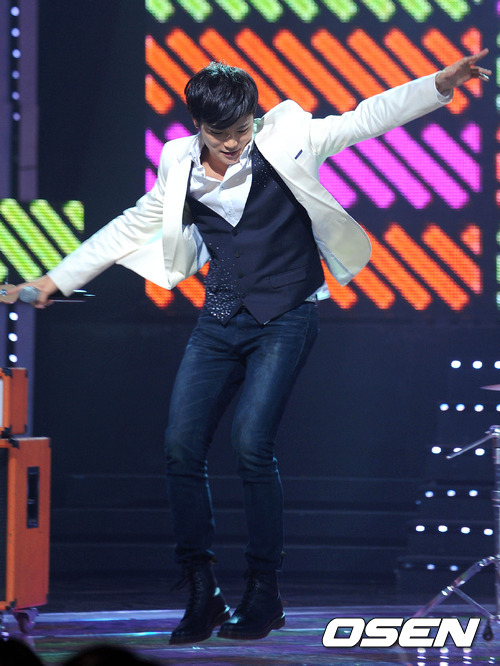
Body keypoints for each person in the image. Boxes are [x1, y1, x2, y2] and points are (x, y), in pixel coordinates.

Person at [6, 50, 490, 644]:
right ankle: (202, 589)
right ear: (198, 126)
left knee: (251, 444)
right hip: (219, 319)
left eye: (242, 130)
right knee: (181, 446)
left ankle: (264, 592)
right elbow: (132, 224)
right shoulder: (179, 163)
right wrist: (55, 280)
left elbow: (367, 118)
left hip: (286, 314)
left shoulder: (289, 136)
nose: (234, 144)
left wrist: (440, 83)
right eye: (221, 135)